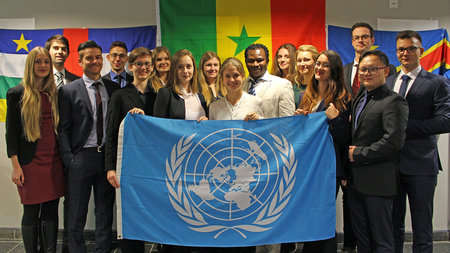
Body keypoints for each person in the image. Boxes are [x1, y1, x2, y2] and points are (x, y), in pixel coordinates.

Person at [386, 30, 450, 253]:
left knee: (422, 228)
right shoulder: (388, 81)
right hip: (391, 164)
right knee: (393, 226)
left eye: (411, 48)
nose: (405, 53)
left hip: (421, 165)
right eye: (401, 49)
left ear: (421, 51)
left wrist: (404, 129)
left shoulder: (437, 82)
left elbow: (445, 121)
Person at [58, 40, 119, 253]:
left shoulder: (112, 88)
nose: (95, 61)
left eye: (97, 57)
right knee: (76, 212)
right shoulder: (68, 91)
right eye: (89, 58)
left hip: (105, 159)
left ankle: (102, 249)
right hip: (81, 158)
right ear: (80, 61)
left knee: (104, 212)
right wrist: (70, 159)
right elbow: (63, 129)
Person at [348, 50, 408, 252]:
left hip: (378, 184)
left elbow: (393, 141)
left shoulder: (394, 101)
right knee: (363, 240)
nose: (367, 73)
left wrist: (359, 154)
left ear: (386, 71)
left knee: (382, 240)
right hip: (356, 183)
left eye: (373, 69)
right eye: (363, 69)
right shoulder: (360, 98)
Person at [6, 46, 65, 253]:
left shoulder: (54, 93)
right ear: (31, 65)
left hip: (54, 163)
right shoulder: (17, 93)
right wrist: (15, 167)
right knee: (31, 212)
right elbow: (11, 135)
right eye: (38, 62)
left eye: (46, 62)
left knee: (50, 211)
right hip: (29, 164)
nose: (43, 66)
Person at [295, 50, 352, 253]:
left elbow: (345, 138)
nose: (319, 68)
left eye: (325, 65)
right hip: (308, 167)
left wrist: (335, 119)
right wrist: (299, 120)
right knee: (310, 215)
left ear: (334, 70)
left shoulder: (343, 98)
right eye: (318, 63)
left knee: (323, 216)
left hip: (330, 167)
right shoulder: (305, 97)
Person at [153, 49, 207, 253]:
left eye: (189, 66)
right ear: (174, 69)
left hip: (198, 163)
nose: (185, 71)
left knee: (194, 207)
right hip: (173, 163)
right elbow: (157, 129)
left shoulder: (201, 95)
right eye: (181, 67)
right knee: (174, 209)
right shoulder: (165, 94)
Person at [105, 47, 157, 253]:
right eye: (139, 64)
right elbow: (110, 133)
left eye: (147, 64)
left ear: (152, 68)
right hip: (127, 163)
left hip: (152, 164)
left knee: (151, 212)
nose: (143, 68)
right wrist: (110, 168)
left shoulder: (159, 95)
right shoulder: (119, 95)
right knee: (130, 213)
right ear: (131, 66)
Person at [44, 34, 78, 253]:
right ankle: (46, 246)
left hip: (69, 148)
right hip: (43, 150)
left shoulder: (75, 80)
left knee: (70, 199)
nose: (59, 51)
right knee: (47, 201)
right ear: (49, 51)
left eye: (63, 48)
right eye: (55, 48)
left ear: (68, 53)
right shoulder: (39, 79)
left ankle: (68, 244)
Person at [343, 22, 396, 98]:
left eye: (364, 37)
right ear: (352, 42)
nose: (360, 40)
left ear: (372, 40)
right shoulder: (344, 70)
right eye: (356, 37)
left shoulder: (387, 69)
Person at [242, 43, 295, 119]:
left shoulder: (283, 85)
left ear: (267, 61)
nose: (255, 64)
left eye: (260, 60)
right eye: (251, 61)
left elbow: (287, 122)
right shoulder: (240, 87)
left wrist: (262, 122)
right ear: (246, 62)